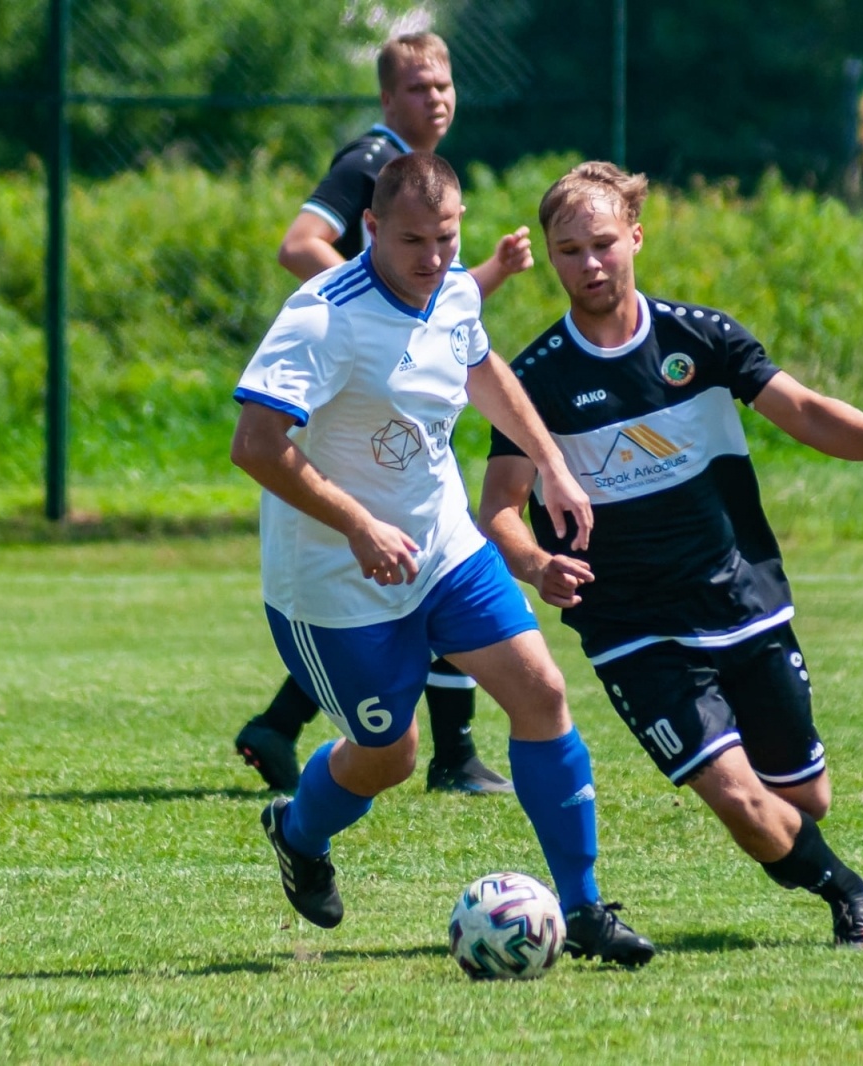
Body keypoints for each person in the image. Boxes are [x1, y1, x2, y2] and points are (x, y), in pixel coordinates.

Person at [478, 161, 863, 947]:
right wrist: (536, 565)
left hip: (740, 598)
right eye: (569, 251)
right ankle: (849, 895)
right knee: (739, 803)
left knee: (803, 803)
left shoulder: (700, 338)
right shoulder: (532, 380)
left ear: (635, 235)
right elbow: (499, 506)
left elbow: (802, 409)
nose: (590, 264)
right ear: (549, 255)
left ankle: (808, 850)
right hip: (631, 624)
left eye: (603, 243)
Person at [230, 152, 655, 966]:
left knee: (542, 692)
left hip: (443, 551)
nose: (433, 258)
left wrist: (554, 465)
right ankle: (297, 829)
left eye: (447, 237)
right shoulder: (323, 317)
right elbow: (254, 444)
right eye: (413, 240)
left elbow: (479, 366)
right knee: (391, 759)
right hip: (334, 586)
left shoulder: (455, 286)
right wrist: (357, 524)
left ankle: (586, 908)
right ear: (371, 230)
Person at [236, 31, 534, 796]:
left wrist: (479, 275)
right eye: (417, 87)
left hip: (395, 392)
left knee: (431, 550)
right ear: (386, 98)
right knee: (384, 561)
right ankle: (428, 750)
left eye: (444, 84)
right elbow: (301, 244)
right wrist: (373, 309)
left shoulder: (425, 188)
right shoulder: (370, 164)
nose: (435, 98)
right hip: (347, 394)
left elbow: (445, 317)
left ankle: (442, 748)